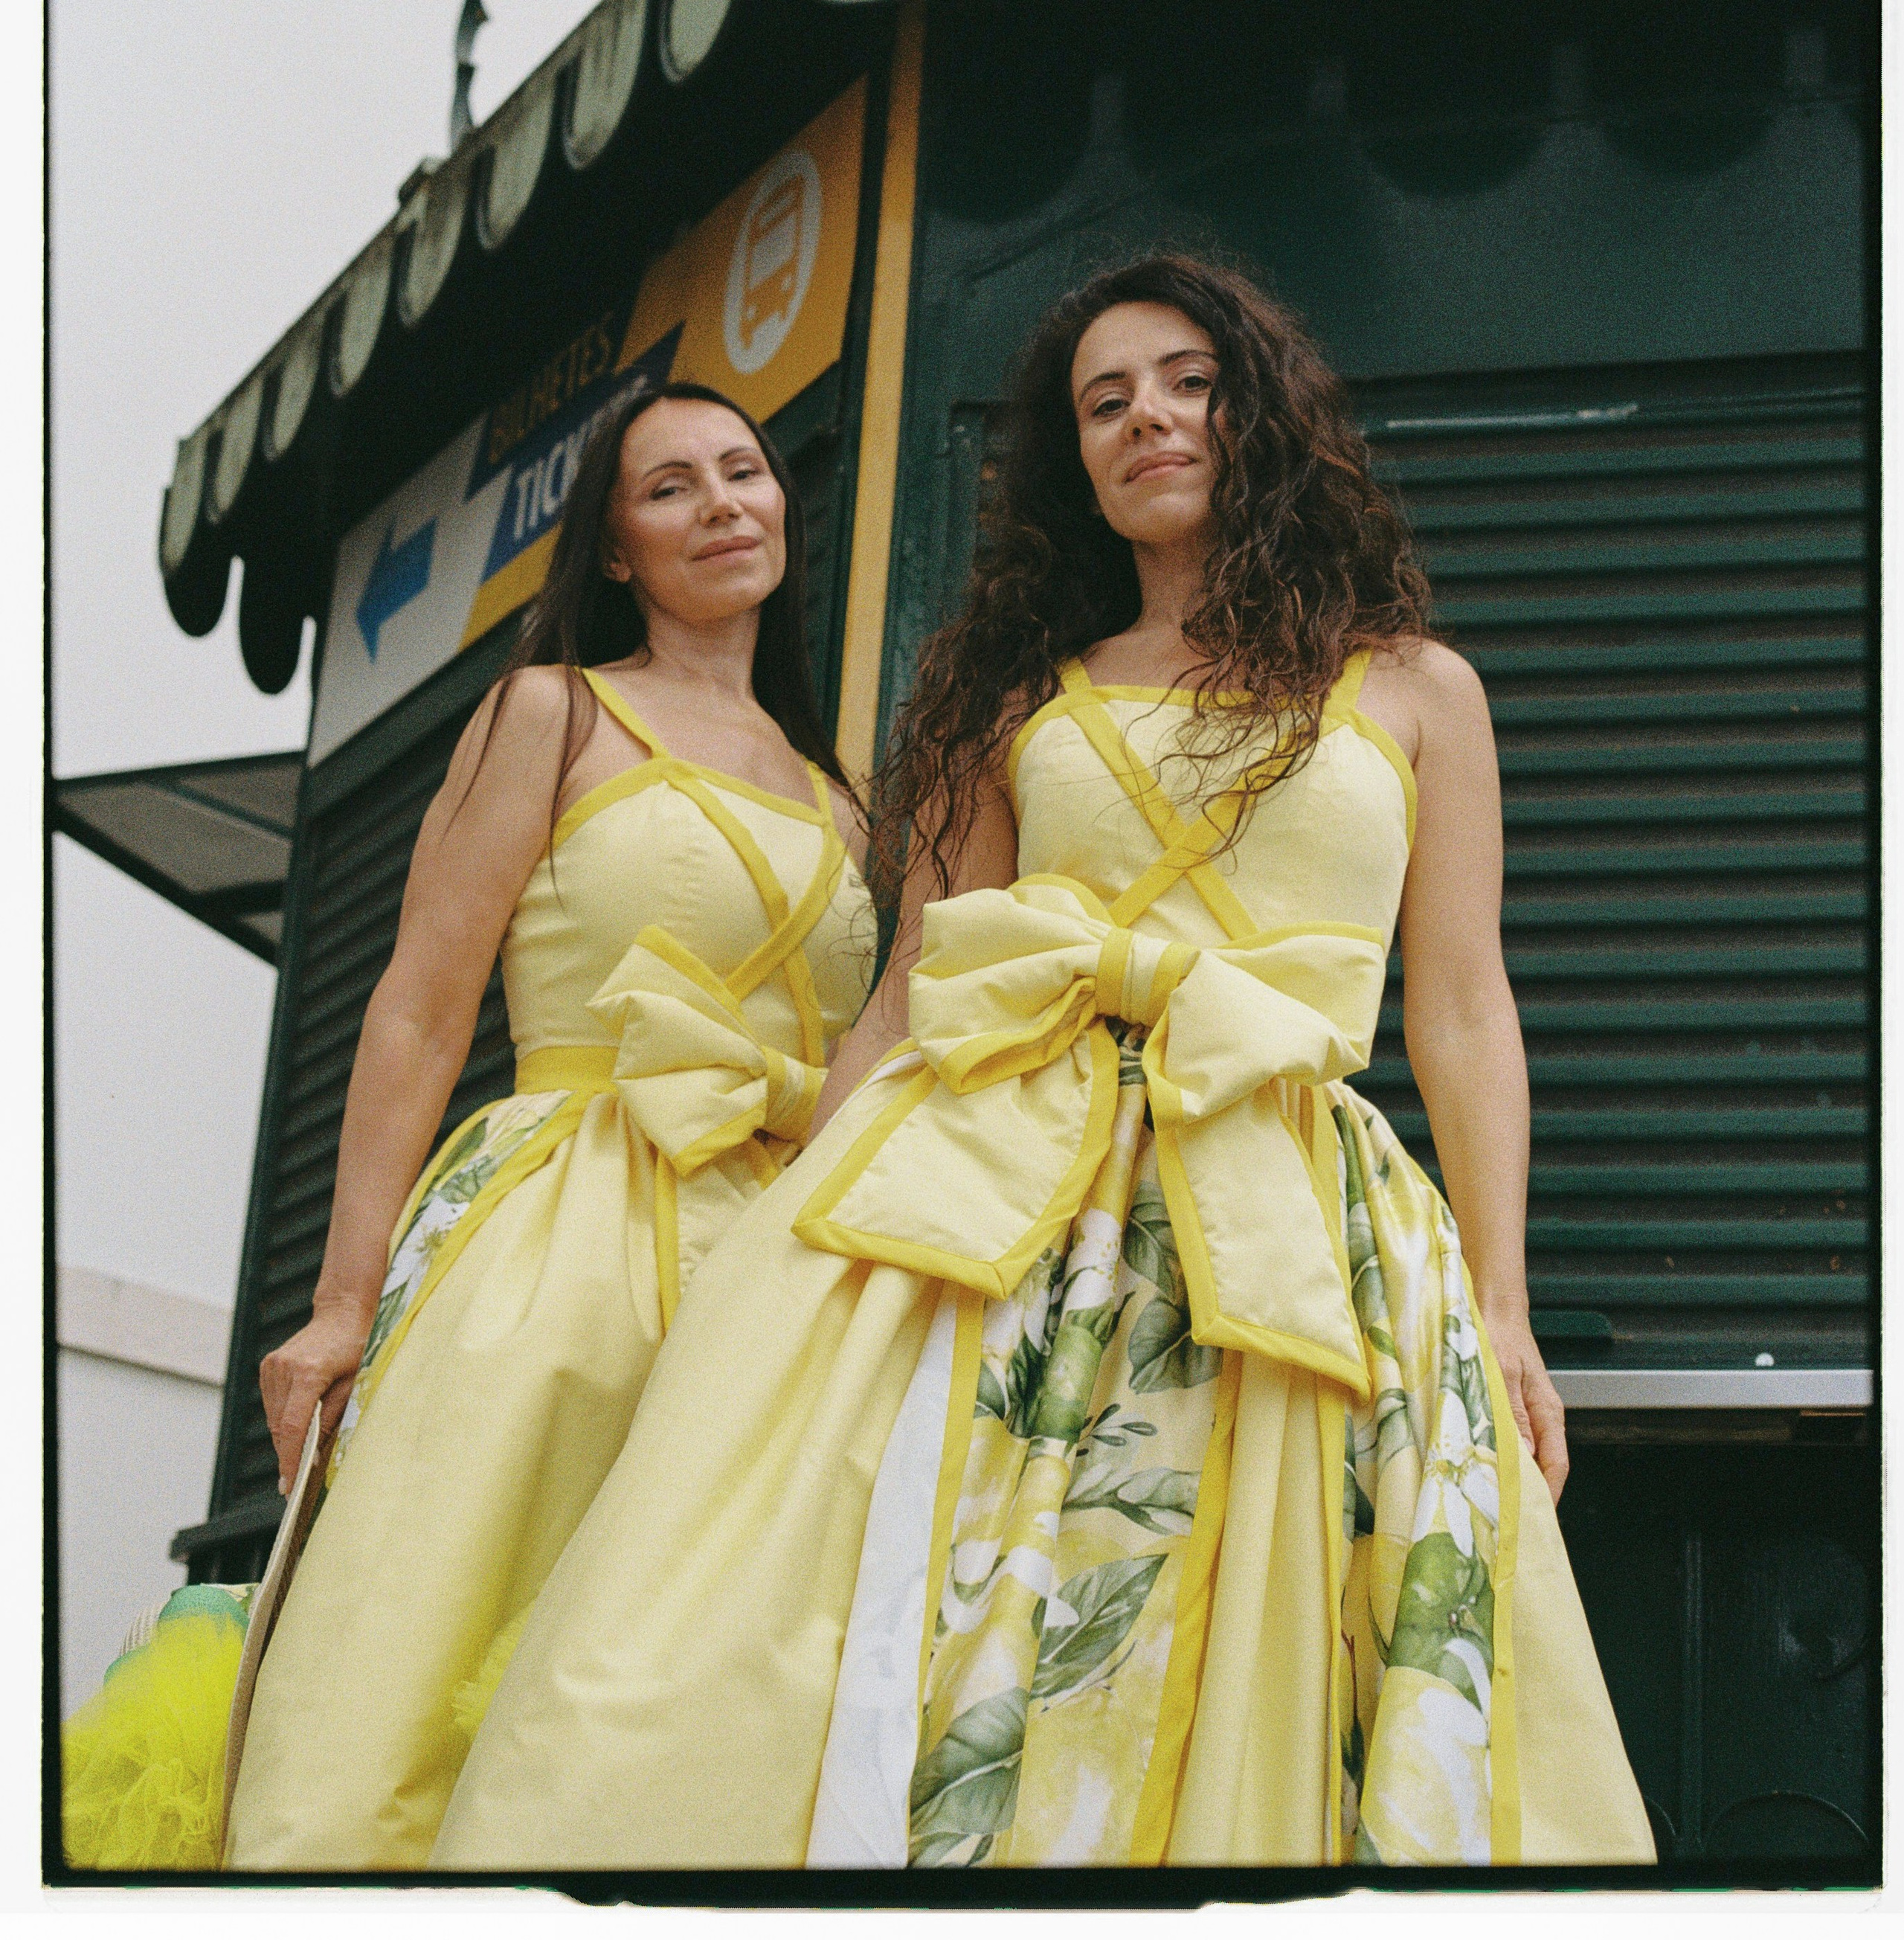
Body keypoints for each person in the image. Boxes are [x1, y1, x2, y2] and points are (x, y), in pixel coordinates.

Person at [434, 254, 1654, 1872]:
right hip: (1020, 1214)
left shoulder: (1419, 689)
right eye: (1102, 400)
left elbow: (1459, 1010)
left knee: (1282, 1644)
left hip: (1303, 1228)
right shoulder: (1014, 696)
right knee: (912, 1637)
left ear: (1257, 408)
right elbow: (908, 999)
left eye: (1184, 380)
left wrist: (1498, 1307)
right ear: (1069, 460)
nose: (1145, 414)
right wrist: (766, 1260)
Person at [63, 382, 875, 1871]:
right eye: (670, 487)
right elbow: (421, 1009)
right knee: (434, 1616)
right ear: (614, 548)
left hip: (770, 1267)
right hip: (553, 1227)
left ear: (784, 504)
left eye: (743, 473)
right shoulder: (551, 706)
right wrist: (337, 1304)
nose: (720, 505)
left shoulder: (843, 796)